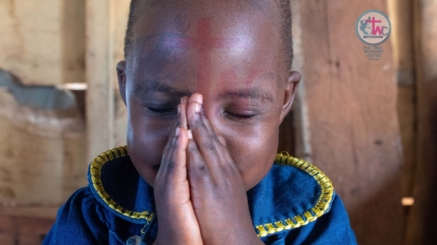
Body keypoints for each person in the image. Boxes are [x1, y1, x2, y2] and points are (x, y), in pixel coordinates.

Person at [43, 0, 357, 244]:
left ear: (284, 99)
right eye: (162, 107)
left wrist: (233, 237)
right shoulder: (89, 218)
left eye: (241, 112)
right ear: (125, 87)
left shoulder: (315, 221)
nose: (195, 136)